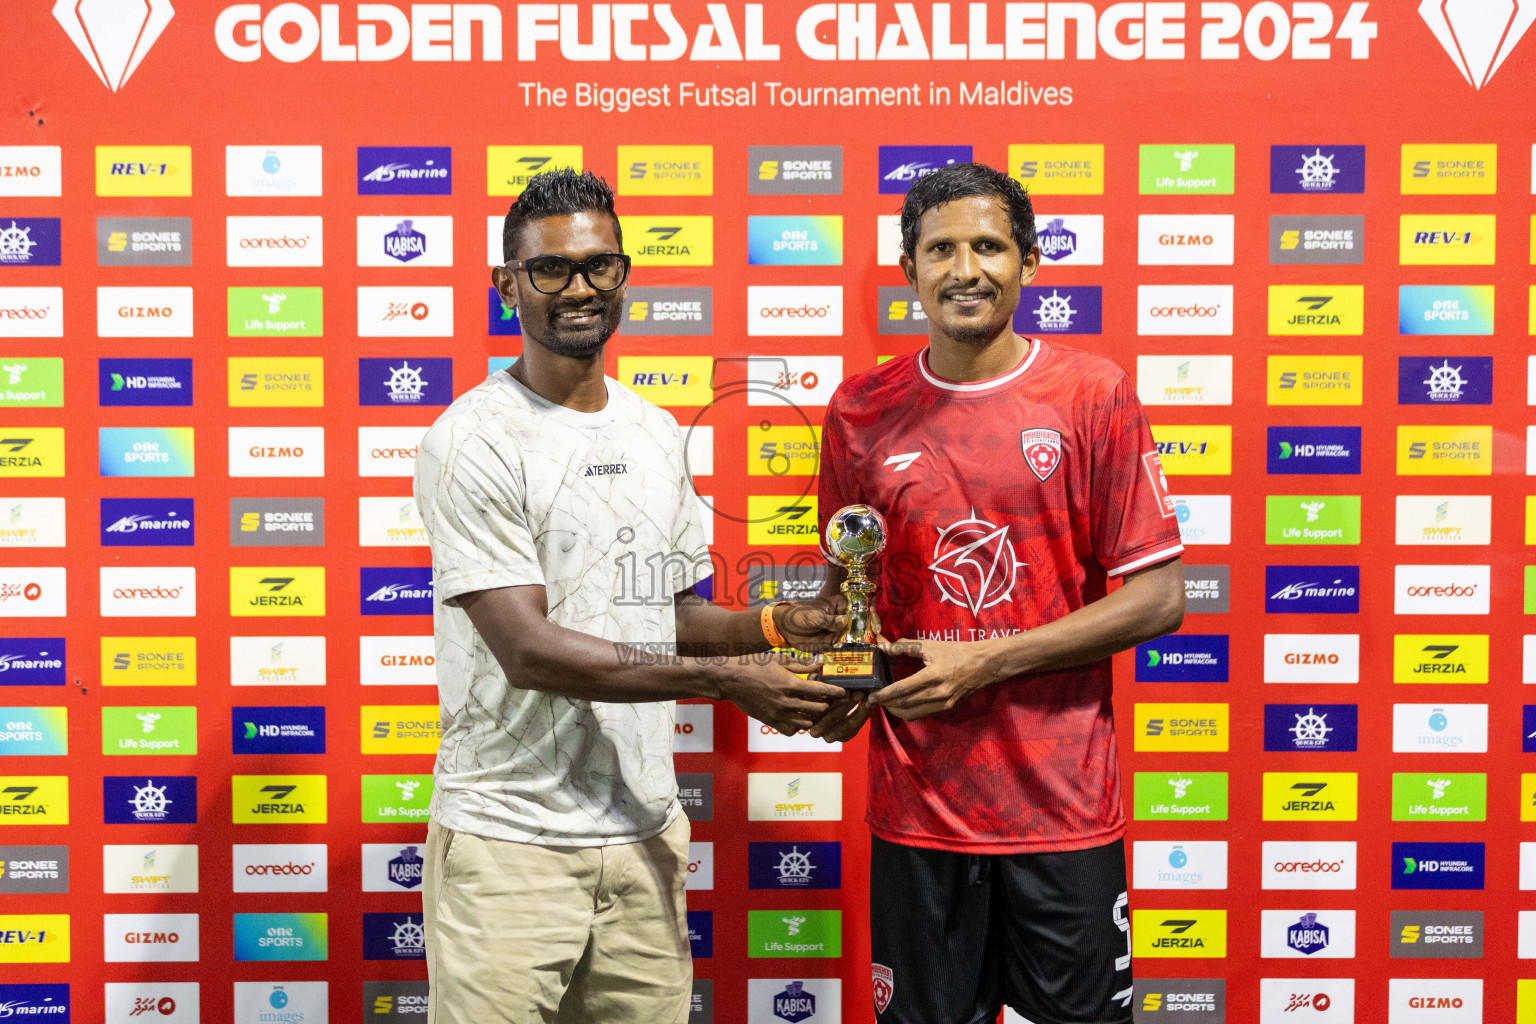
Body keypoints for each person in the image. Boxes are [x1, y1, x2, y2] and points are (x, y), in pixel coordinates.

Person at [413, 168, 848, 1024]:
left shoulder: (653, 432)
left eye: (600, 266)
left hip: (643, 839)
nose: (580, 288)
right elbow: (529, 650)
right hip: (510, 848)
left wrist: (774, 625)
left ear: (624, 275)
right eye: (551, 270)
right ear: (507, 286)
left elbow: (671, 616)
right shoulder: (470, 440)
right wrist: (729, 683)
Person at [809, 162, 1187, 1024]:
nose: (965, 269)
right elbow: (848, 595)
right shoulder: (860, 411)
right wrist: (827, 679)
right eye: (940, 249)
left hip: (1064, 811)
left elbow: (1160, 599)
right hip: (919, 810)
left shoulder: (1093, 395)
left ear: (1029, 263)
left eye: (988, 246)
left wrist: (982, 662)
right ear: (909, 269)